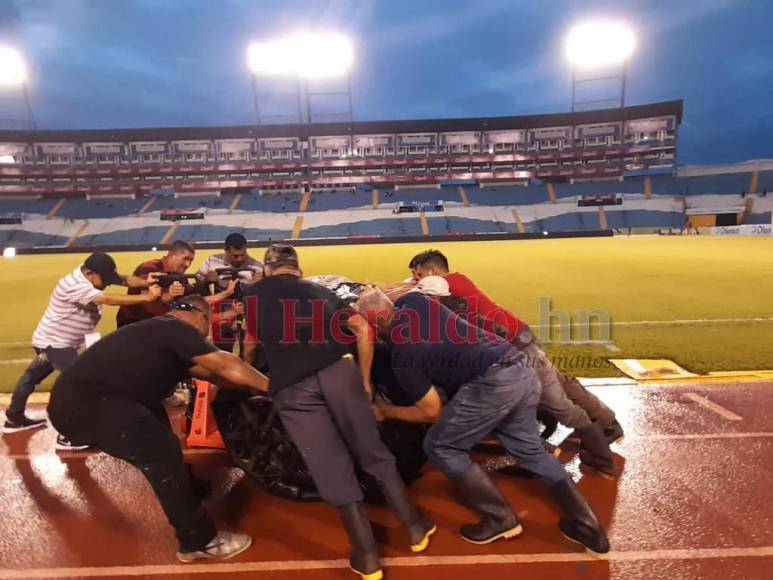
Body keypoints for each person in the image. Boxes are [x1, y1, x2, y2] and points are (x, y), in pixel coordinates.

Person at [357, 288, 609, 554]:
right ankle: (588, 526)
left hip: (491, 385)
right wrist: (373, 292)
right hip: (521, 368)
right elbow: (400, 293)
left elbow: (431, 411)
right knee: (530, 451)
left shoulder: (403, 356)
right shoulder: (416, 301)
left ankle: (500, 518)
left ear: (376, 324)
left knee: (441, 445)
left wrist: (388, 412)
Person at [242, 244, 435, 580]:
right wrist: (364, 379)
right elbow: (363, 329)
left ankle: (366, 556)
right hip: (338, 371)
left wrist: (248, 375)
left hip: (292, 386)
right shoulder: (319, 290)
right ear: (297, 269)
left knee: (331, 466)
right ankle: (415, 528)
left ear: (268, 269)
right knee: (373, 453)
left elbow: (250, 341)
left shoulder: (251, 294)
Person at [48, 295, 269, 562]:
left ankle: (190, 488)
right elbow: (225, 364)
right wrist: (275, 387)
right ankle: (198, 541)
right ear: (199, 315)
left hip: (87, 401)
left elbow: (217, 375)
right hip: (91, 406)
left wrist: (252, 384)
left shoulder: (159, 333)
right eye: (208, 323)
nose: (208, 331)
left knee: (156, 424)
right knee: (162, 454)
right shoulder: (175, 328)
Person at [408, 249, 622, 476]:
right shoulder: (456, 281)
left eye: (417, 275)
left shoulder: (446, 285)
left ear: (433, 271)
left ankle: (599, 459)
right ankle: (607, 423)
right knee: (561, 384)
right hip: (518, 337)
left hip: (517, 347)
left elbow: (412, 295)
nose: (415, 280)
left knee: (557, 403)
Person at [3, 253, 162, 449]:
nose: (107, 282)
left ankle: (13, 418)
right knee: (80, 385)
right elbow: (108, 299)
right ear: (89, 273)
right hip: (56, 344)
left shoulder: (93, 273)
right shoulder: (75, 285)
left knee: (31, 376)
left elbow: (123, 279)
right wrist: (147, 297)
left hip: (54, 341)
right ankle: (68, 436)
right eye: (104, 279)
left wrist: (147, 282)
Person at [195, 233, 263, 353]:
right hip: (221, 310)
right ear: (225, 250)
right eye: (235, 256)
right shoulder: (212, 261)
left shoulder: (257, 266)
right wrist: (206, 280)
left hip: (247, 309)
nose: (240, 259)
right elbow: (196, 287)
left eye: (243, 255)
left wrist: (262, 282)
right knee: (221, 348)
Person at [116, 240, 198, 328]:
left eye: (191, 260)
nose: (188, 264)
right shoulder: (149, 267)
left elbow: (186, 300)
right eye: (185, 258)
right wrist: (167, 296)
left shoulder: (179, 276)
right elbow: (147, 302)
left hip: (158, 325)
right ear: (172, 255)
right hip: (134, 324)